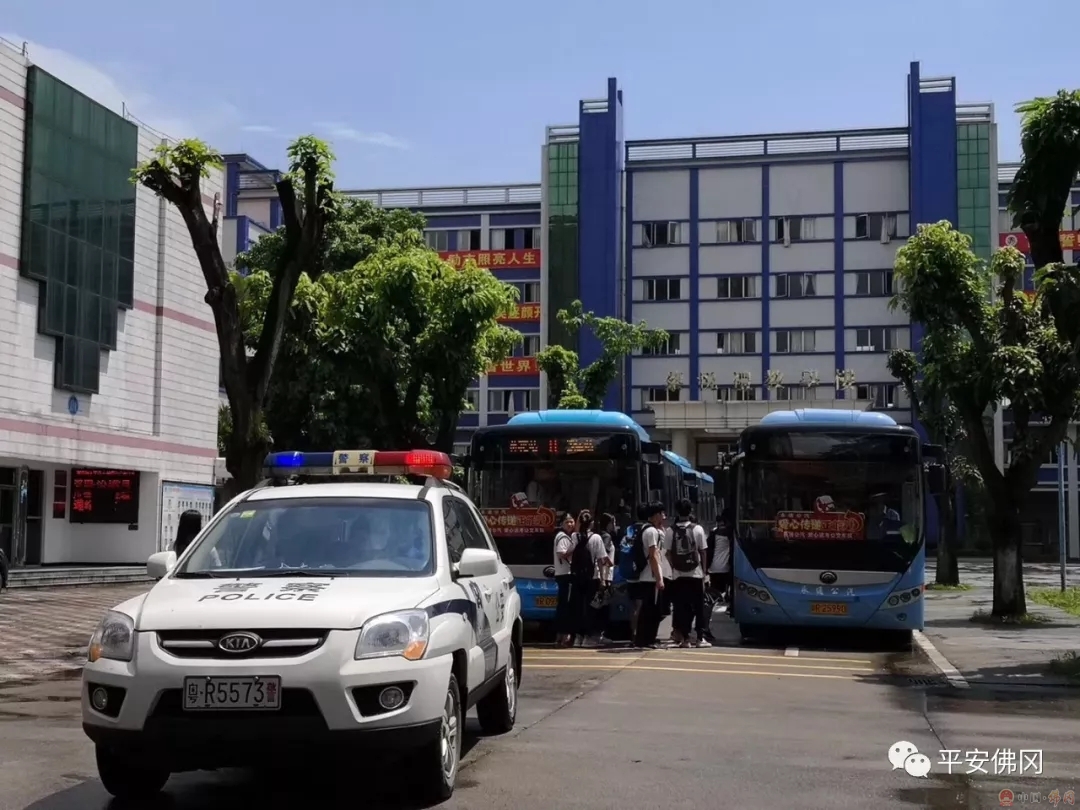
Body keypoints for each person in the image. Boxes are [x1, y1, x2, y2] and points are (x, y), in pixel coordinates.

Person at [668, 498, 709, 648]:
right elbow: (702, 551)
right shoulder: (698, 529)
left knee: (682, 607)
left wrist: (674, 566)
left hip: (678, 575)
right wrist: (704, 572)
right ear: (690, 510)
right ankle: (700, 638)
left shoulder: (670, 531)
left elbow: (668, 553)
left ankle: (685, 639)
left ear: (677, 512)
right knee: (699, 606)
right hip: (696, 574)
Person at [567, 509, 609, 647]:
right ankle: (587, 637)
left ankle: (577, 638)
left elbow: (569, 553)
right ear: (591, 523)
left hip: (577, 577)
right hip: (592, 577)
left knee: (578, 607)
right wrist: (603, 579)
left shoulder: (574, 536)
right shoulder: (596, 538)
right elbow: (601, 560)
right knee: (590, 608)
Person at [632, 502, 669, 648]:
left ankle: (643, 639)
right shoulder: (652, 532)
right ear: (655, 515)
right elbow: (654, 556)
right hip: (651, 577)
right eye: (661, 513)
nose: (664, 516)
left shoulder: (646, 529)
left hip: (646, 576)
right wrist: (659, 578)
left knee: (648, 610)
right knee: (652, 611)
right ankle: (647, 639)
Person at [553, 513, 577, 647]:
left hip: (563, 574)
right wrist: (574, 549)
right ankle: (563, 636)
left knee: (563, 605)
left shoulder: (564, 536)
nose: (570, 524)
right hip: (565, 575)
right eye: (567, 522)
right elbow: (561, 554)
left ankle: (560, 635)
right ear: (562, 524)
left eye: (571, 522)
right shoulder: (563, 537)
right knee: (565, 606)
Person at [595, 513, 617, 644]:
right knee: (603, 606)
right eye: (613, 522)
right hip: (605, 575)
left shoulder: (599, 535)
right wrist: (604, 577)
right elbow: (602, 556)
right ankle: (599, 634)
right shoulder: (607, 537)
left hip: (601, 575)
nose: (614, 525)